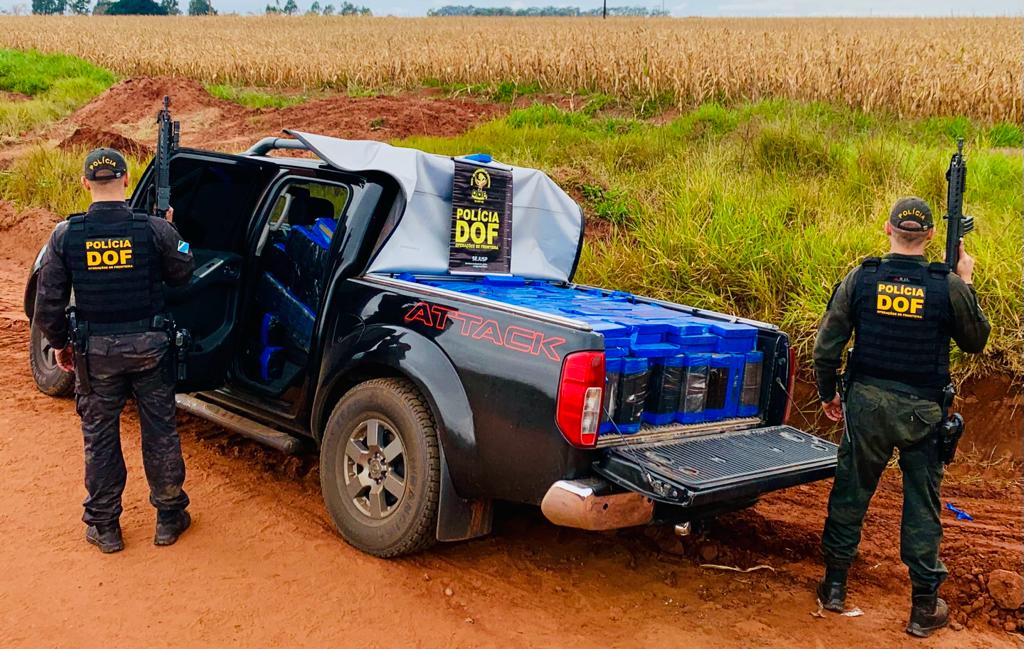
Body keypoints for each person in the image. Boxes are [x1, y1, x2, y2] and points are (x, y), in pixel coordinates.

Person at [812, 197, 990, 637]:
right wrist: (965, 281)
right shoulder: (945, 284)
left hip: (867, 404)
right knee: (922, 505)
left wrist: (827, 393)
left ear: (888, 230)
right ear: (930, 236)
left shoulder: (863, 277)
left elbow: (827, 344)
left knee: (851, 491)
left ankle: (834, 588)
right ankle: (923, 608)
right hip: (923, 411)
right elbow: (976, 340)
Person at [33, 148, 195, 554]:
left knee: (100, 437)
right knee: (159, 431)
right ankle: (168, 517)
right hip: (150, 349)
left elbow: (47, 304)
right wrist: (171, 231)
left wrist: (59, 346)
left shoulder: (66, 235)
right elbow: (183, 275)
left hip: (95, 354)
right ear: (125, 180)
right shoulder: (154, 229)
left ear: (86, 184)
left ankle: (106, 528)